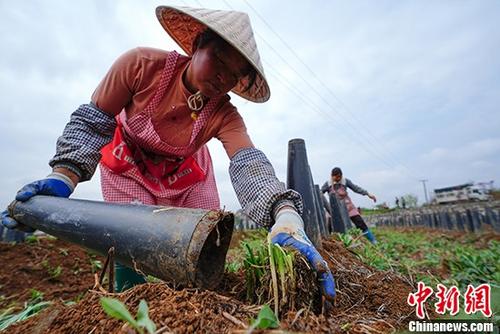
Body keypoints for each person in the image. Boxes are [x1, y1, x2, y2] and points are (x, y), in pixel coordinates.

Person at [1, 5, 335, 303]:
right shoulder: (140, 66)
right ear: (197, 44)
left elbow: (249, 166)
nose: (223, 77)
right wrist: (65, 175)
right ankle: (132, 305)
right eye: (218, 59)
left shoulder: (224, 115)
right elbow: (93, 122)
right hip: (129, 166)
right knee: (126, 238)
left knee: (205, 240)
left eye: (233, 74)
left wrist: (286, 216)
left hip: (188, 174)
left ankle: (198, 303)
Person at [322, 167, 378, 244]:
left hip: (348, 206)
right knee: (330, 226)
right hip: (334, 209)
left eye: (340, 176)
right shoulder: (328, 184)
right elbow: (320, 193)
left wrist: (368, 194)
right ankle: (333, 243)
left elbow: (356, 188)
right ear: (332, 176)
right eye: (336, 177)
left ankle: (373, 241)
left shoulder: (345, 181)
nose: (338, 178)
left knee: (360, 222)